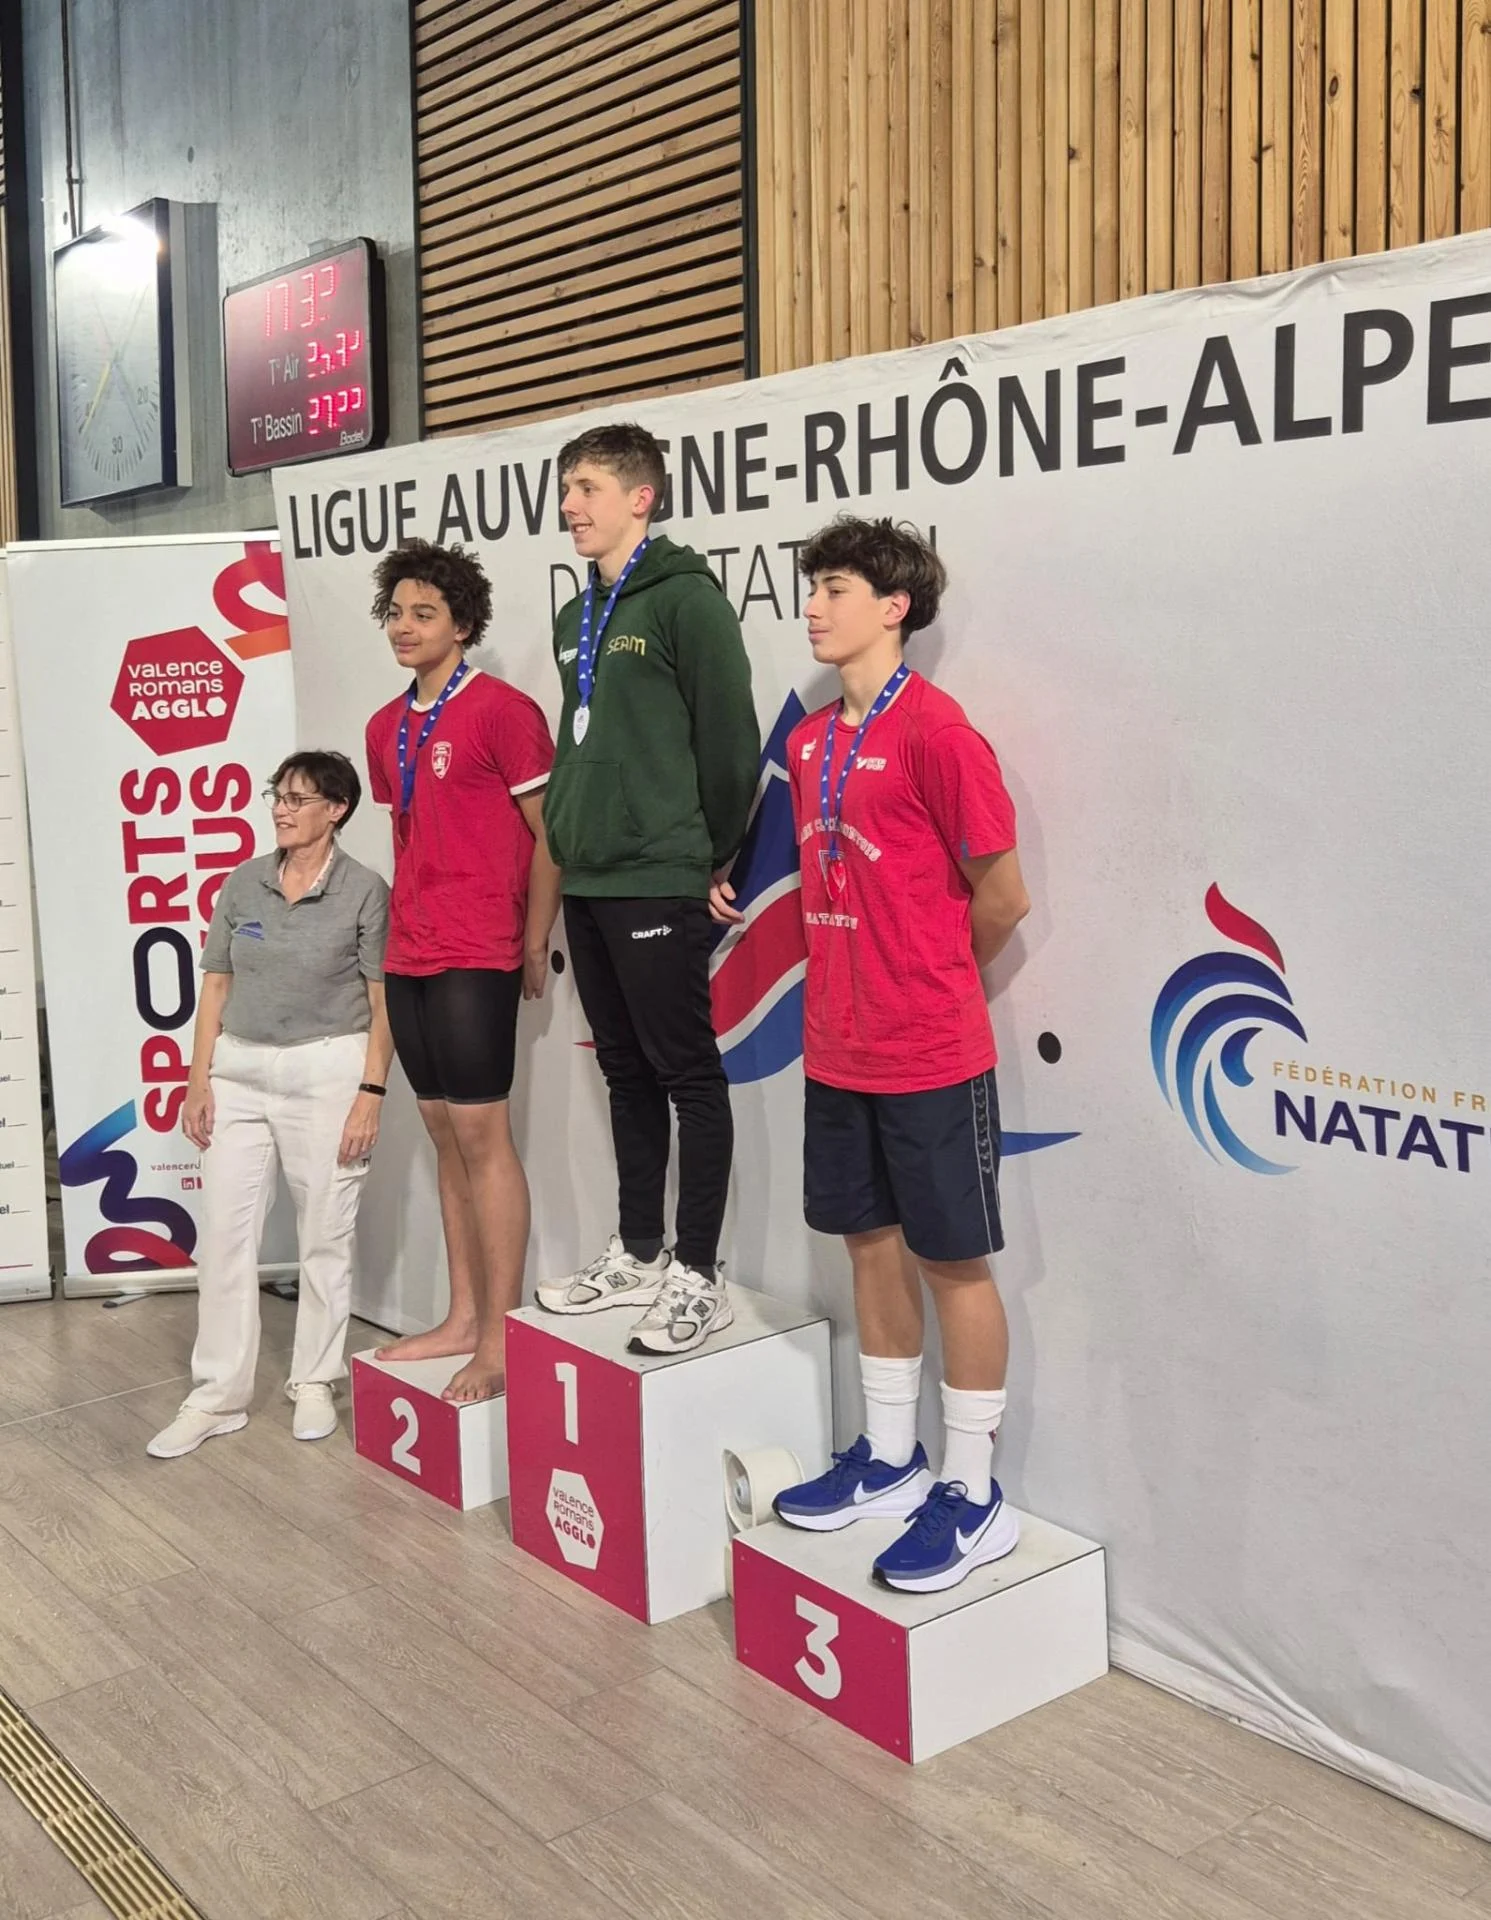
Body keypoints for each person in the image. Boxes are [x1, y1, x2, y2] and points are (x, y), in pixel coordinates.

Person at [711, 516, 1031, 1592]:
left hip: (931, 1049)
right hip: (837, 1048)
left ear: (894, 607)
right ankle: (892, 1459)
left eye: (835, 589)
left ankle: (973, 1492)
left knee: (954, 1261)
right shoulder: (809, 742)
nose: (812, 607)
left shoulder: (940, 734)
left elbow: (1003, 897)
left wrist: (930, 974)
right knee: (867, 1245)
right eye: (812, 589)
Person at [534, 422, 760, 1354]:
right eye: (566, 489)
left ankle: (697, 1272)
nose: (569, 506)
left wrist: (712, 855)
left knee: (685, 1075)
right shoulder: (574, 614)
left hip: (659, 871)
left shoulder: (686, 600)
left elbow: (729, 740)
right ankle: (636, 1250)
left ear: (641, 496)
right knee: (622, 1071)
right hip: (588, 874)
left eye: (586, 487)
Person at [147, 752, 392, 1458]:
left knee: (325, 1234)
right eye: (276, 796)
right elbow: (216, 987)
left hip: (329, 1069)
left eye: (297, 799)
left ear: (336, 809)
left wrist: (370, 1095)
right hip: (240, 1071)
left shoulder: (364, 891)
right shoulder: (244, 882)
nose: (281, 809)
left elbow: (383, 1003)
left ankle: (313, 1380)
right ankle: (217, 1395)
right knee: (224, 1237)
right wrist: (198, 1079)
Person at [364, 539, 559, 1403]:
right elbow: (411, 834)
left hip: (478, 946)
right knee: (442, 1133)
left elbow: (552, 836)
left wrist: (533, 937)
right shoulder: (384, 726)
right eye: (395, 613)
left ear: (463, 626)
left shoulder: (505, 713)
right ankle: (462, 1316)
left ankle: (501, 1336)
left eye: (424, 613)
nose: (403, 627)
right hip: (410, 949)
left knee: (483, 1137)